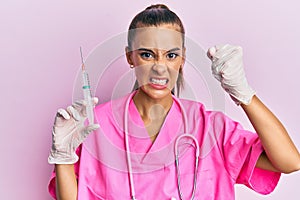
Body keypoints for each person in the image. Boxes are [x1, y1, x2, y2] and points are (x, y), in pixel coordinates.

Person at [48, 4, 300, 200]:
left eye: (171, 55)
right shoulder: (95, 125)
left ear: (182, 59)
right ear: (130, 57)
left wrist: (244, 94)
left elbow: (289, 161)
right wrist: (62, 156)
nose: (160, 68)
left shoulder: (209, 127)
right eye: (147, 54)